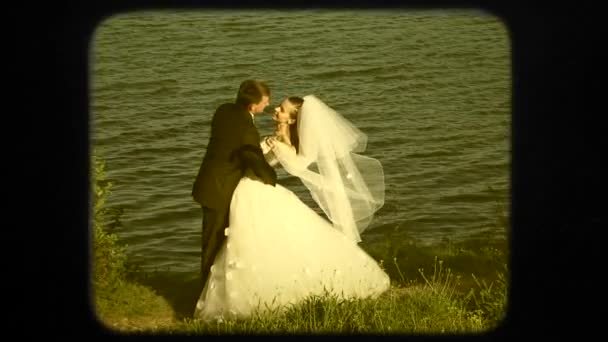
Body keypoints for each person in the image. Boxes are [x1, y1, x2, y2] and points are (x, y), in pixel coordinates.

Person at [193, 95, 389, 321]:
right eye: (279, 107)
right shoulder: (279, 137)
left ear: (293, 120)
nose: (276, 110)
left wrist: (274, 148)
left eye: (283, 110)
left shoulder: (283, 142)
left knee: (249, 241)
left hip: (255, 191)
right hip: (248, 189)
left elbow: (295, 164)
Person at [192, 80, 277, 293]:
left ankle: (218, 290)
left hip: (210, 182)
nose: (267, 106)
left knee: (215, 243)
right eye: (264, 103)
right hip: (220, 190)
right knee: (214, 245)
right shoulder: (247, 129)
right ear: (252, 106)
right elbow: (254, 162)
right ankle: (204, 296)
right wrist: (272, 179)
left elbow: (231, 143)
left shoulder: (224, 110)